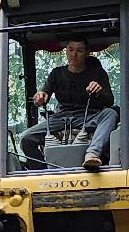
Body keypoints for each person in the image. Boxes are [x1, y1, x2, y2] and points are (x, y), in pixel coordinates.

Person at [20, 38, 118, 170]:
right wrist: (40, 97)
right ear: (66, 51)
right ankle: (42, 171)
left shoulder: (98, 73)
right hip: (61, 118)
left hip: (88, 117)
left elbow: (109, 101)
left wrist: (98, 91)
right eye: (71, 50)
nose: (74, 54)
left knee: (110, 113)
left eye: (79, 50)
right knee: (26, 138)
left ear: (87, 52)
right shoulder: (57, 73)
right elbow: (44, 94)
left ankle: (92, 154)